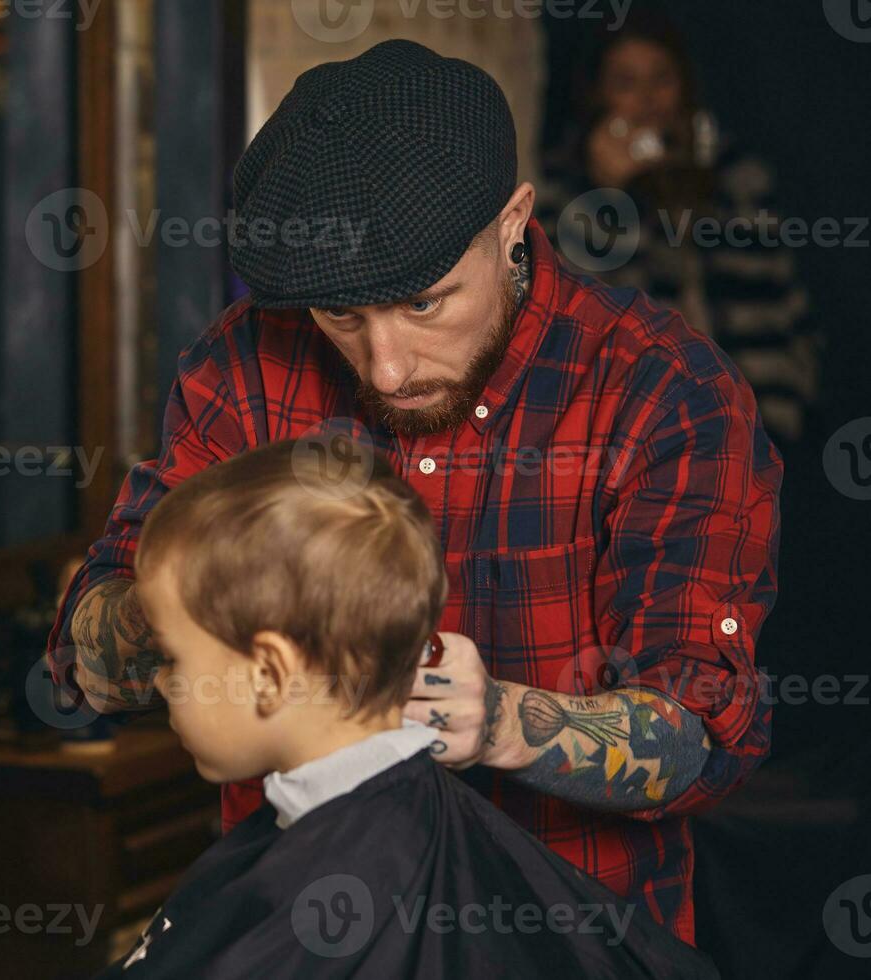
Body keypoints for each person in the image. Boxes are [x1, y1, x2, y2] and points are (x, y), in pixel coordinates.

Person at [48, 39, 781, 946]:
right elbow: (90, 654)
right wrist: (200, 616)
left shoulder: (664, 392)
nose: (387, 369)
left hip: (575, 945)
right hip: (305, 930)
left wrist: (503, 720)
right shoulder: (247, 365)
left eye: (426, 303)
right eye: (342, 316)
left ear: (514, 223)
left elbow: (705, 735)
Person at [93, 438, 716, 978]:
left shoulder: (347, 890)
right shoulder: (378, 831)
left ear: (270, 672)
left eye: (174, 657)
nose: (165, 683)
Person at [534, 13, 822, 448]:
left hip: (754, 433)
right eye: (626, 83)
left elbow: (785, 298)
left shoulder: (736, 177)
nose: (647, 99)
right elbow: (573, 313)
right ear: (598, 94)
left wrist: (791, 396)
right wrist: (611, 194)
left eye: (661, 78)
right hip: (639, 439)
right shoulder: (565, 186)